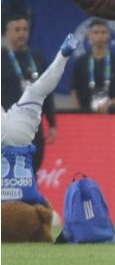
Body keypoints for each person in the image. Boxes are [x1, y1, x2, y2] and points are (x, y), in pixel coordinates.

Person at [2, 34, 77, 206]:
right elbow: (45, 89)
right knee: (38, 89)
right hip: (21, 129)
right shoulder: (32, 196)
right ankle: (63, 55)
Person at [1, 14, 56, 172]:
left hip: (34, 130)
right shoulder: (2, 58)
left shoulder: (37, 58)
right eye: (17, 30)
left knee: (31, 174)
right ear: (7, 32)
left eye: (25, 29)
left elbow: (47, 91)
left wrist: (52, 123)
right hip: (7, 129)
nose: (21, 34)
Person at [69, 18, 115, 113]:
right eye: (96, 32)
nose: (99, 36)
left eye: (103, 32)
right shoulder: (81, 62)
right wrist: (78, 113)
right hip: (86, 115)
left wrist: (109, 103)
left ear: (109, 35)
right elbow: (74, 90)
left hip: (112, 115)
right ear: (89, 35)